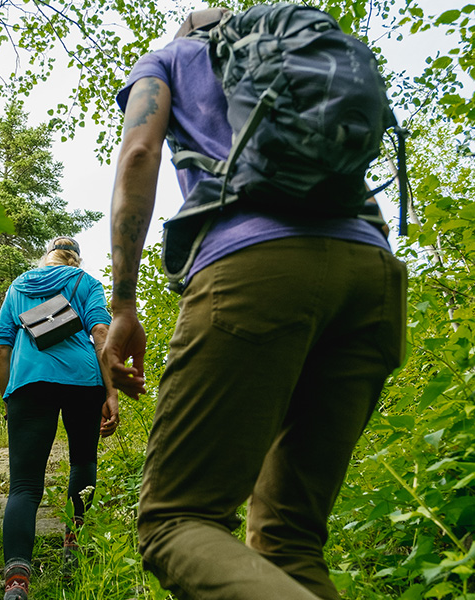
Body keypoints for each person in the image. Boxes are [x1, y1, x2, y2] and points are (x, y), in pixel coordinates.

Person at [100, 8, 407, 600]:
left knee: (174, 521)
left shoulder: (169, 59)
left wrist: (123, 304)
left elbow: (140, 153)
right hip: (373, 276)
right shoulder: (309, 57)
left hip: (254, 267)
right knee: (289, 539)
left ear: (184, 30)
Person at [0, 236, 118, 600]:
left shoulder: (19, 285)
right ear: (75, 260)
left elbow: (2, 346)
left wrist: (9, 397)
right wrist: (111, 393)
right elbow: (100, 333)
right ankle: (72, 548)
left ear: (46, 258)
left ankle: (16, 582)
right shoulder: (84, 282)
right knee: (82, 461)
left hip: (30, 383)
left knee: (24, 487)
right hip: (84, 381)